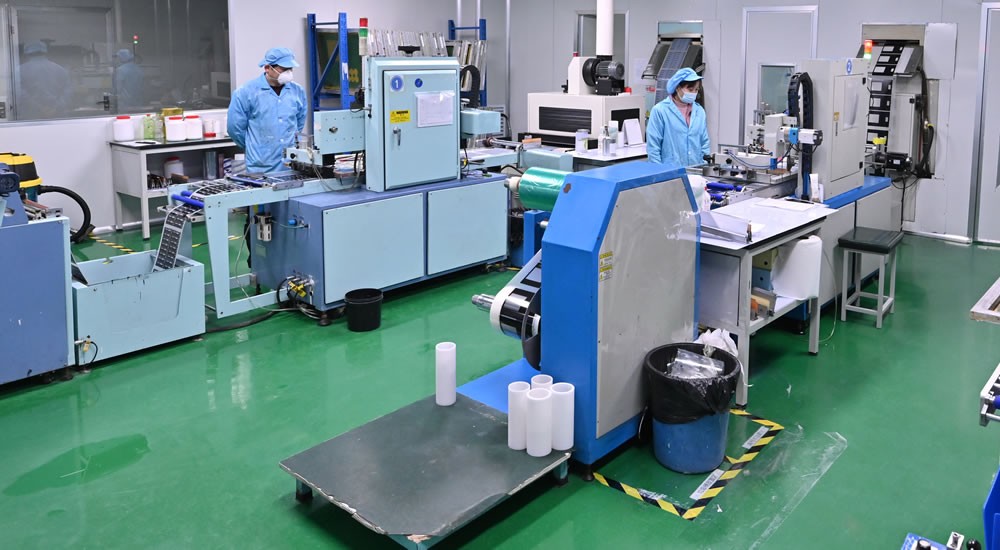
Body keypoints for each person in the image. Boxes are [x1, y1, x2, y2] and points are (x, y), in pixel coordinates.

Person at [227, 47, 307, 173]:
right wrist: (255, 146)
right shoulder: (246, 92)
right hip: (261, 165)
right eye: (284, 69)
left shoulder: (297, 91)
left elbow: (299, 123)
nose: (288, 73)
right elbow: (235, 129)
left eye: (290, 69)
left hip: (291, 163)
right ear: (267, 68)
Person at [646, 67, 710, 168]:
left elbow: (704, 143)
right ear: (677, 88)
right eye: (690, 89)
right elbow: (653, 147)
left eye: (696, 90)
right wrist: (658, 172)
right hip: (669, 171)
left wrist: (704, 166)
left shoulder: (699, 111)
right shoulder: (660, 111)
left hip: (696, 169)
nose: (693, 93)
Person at [18, 41, 72, 120]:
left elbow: (20, 93)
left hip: (31, 117)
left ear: (26, 53)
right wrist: (55, 107)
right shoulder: (60, 69)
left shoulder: (19, 70)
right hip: (57, 116)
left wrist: (39, 108)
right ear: (45, 52)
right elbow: (67, 92)